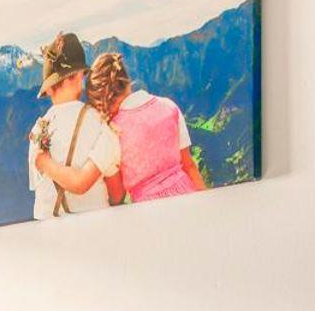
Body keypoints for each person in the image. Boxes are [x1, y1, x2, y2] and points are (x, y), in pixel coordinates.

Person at [83, 50, 206, 204]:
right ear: (127, 82)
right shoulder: (169, 106)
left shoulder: (114, 132)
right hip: (187, 197)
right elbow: (189, 166)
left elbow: (117, 194)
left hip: (148, 209)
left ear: (102, 102)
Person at [26, 32, 120, 221]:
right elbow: (116, 193)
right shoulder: (100, 123)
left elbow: (39, 188)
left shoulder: (37, 131)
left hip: (47, 231)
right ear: (80, 77)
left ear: (48, 89)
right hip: (95, 227)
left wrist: (46, 162)